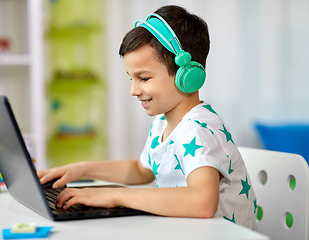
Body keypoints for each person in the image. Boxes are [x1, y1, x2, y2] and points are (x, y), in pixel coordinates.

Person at [38, 5, 256, 229]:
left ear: (187, 76)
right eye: (131, 78)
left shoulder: (199, 128)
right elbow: (141, 170)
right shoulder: (162, 123)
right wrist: (81, 170)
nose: (133, 90)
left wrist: (115, 196)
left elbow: (202, 202)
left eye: (143, 78)